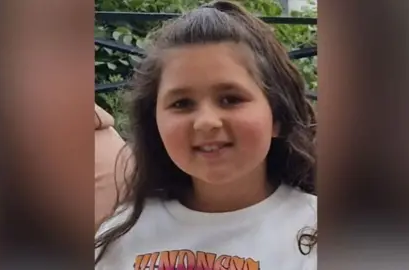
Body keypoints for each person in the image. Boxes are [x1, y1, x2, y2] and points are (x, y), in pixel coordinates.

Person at [95, 1, 317, 269]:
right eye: (182, 103)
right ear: (155, 124)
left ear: (277, 118)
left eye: (230, 99)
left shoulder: (315, 232)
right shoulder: (120, 236)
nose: (206, 122)